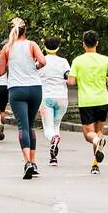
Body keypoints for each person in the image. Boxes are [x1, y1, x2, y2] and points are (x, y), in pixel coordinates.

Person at [0, 18, 47, 179]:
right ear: (25, 31)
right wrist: (35, 67)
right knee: (31, 125)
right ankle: (33, 162)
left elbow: (0, 72)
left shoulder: (6, 48)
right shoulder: (32, 45)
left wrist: (11, 65)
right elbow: (43, 61)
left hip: (16, 90)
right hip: (34, 88)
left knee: (23, 127)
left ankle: (27, 162)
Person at [68, 31, 108, 174]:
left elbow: (71, 81)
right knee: (99, 131)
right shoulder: (106, 60)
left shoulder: (78, 61)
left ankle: (97, 143)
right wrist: (105, 79)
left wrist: (81, 78)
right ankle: (95, 164)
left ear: (83, 44)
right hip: (102, 100)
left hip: (86, 101)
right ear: (97, 43)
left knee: (89, 134)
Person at [37, 37, 70, 166]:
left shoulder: (41, 61)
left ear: (44, 47)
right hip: (62, 98)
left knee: (48, 129)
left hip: (46, 97)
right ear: (58, 47)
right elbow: (68, 76)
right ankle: (53, 158)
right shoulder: (64, 62)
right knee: (56, 126)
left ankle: (53, 139)